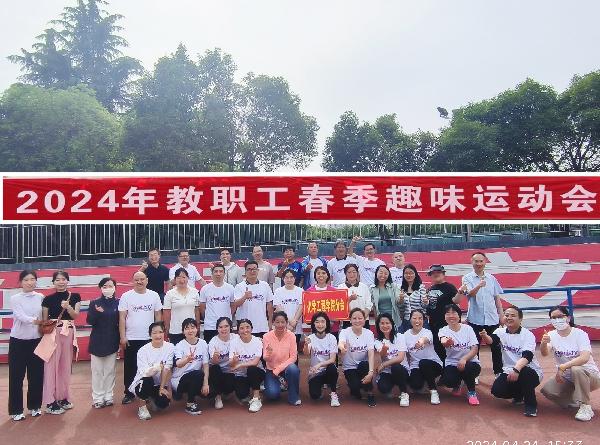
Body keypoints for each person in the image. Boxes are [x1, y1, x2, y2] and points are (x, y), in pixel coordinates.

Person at [540, 306, 600, 422]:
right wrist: (543, 343)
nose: (557, 320)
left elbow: (584, 358)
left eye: (560, 316)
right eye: (553, 318)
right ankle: (575, 401)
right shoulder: (551, 335)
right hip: (568, 377)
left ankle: (585, 406)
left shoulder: (580, 334)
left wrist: (563, 366)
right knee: (548, 390)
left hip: (589, 375)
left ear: (568, 318)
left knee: (576, 369)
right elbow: (545, 353)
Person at [481, 306, 542, 417]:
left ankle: (531, 405)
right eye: (506, 315)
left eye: (513, 315)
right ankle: (519, 395)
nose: (509, 318)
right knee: (497, 390)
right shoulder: (500, 331)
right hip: (509, 370)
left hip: (530, 371)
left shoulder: (527, 335)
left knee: (525, 373)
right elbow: (492, 341)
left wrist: (516, 369)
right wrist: (485, 336)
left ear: (520, 319)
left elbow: (527, 356)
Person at [119, 271, 163, 405]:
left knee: (150, 367)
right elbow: (122, 317)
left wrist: (158, 335)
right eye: (137, 279)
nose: (139, 282)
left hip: (149, 338)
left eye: (142, 279)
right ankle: (129, 393)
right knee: (130, 366)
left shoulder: (154, 295)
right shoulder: (126, 296)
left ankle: (148, 392)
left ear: (147, 280)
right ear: (133, 281)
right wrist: (123, 336)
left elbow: (158, 316)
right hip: (131, 338)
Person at [41, 270, 81, 414]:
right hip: (53, 334)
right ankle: (50, 401)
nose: (61, 282)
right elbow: (44, 320)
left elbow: (75, 316)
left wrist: (68, 307)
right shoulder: (47, 299)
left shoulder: (75, 296)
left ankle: (63, 397)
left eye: (63, 279)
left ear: (67, 281)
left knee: (65, 366)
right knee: (50, 368)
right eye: (57, 280)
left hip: (68, 332)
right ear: (53, 282)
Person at [8, 270, 44, 421]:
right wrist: (35, 321)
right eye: (26, 280)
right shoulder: (15, 298)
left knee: (36, 376)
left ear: (36, 281)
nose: (30, 282)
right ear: (20, 282)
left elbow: (45, 314)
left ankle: (35, 406)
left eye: (32, 279)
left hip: (36, 341)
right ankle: (16, 410)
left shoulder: (41, 297)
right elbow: (20, 316)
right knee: (16, 377)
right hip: (18, 342)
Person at [462, 252, 505, 376]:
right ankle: (474, 374)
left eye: (481, 261)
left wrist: (501, 315)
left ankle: (498, 372)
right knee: (475, 348)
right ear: (472, 262)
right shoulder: (467, 278)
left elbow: (497, 298)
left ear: (485, 262)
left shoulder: (491, 278)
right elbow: (470, 294)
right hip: (475, 319)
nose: (479, 263)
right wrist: (479, 286)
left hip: (492, 318)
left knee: (496, 347)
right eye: (476, 261)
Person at [129, 322, 174, 421]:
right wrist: (157, 367)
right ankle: (142, 407)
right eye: (154, 333)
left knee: (163, 404)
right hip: (143, 382)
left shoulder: (170, 347)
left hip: (159, 383)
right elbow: (145, 373)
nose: (158, 335)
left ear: (164, 333)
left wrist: (164, 388)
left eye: (160, 332)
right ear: (150, 335)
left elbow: (167, 369)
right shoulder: (143, 351)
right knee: (147, 380)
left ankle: (152, 398)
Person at [438, 304, 482, 406]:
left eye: (454, 313)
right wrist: (447, 342)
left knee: (469, 368)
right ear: (444, 316)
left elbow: (475, 348)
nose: (451, 316)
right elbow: (443, 340)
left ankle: (471, 392)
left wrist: (464, 359)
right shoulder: (443, 330)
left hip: (470, 362)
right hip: (452, 363)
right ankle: (458, 383)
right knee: (448, 381)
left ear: (459, 315)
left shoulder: (468, 329)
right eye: (447, 313)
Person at [87, 277, 120, 409]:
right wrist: (97, 312)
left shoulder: (119, 303)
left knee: (110, 370)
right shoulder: (94, 303)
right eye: (105, 286)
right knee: (97, 371)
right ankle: (98, 397)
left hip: (112, 340)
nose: (108, 288)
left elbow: (121, 322)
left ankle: (108, 396)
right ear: (100, 288)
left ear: (115, 287)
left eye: (110, 286)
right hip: (97, 341)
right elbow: (90, 321)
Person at [423, 264, 463, 361]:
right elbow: (428, 307)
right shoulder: (430, 289)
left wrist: (460, 292)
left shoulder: (449, 287)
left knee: (450, 347)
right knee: (438, 347)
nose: (436, 274)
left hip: (447, 324)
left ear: (443, 274)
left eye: (438, 272)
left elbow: (456, 301)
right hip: (434, 323)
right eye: (433, 273)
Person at [339, 307, 376, 407]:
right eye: (354, 318)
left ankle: (370, 393)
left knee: (364, 365)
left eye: (360, 318)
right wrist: (342, 347)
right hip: (350, 367)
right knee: (355, 388)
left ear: (364, 319)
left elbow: (371, 353)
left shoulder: (369, 333)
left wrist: (371, 372)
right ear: (350, 320)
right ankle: (355, 387)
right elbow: (341, 342)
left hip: (363, 366)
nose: (357, 321)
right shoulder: (345, 332)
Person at [171, 318, 210, 415]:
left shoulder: (203, 343)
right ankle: (190, 403)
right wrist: (187, 360)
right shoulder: (179, 345)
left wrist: (205, 384)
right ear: (183, 331)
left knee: (210, 392)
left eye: (192, 327)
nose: (190, 330)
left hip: (197, 378)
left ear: (197, 329)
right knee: (197, 374)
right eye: (187, 328)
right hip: (180, 379)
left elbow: (205, 365)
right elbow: (178, 363)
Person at [404, 309, 443, 405]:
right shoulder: (405, 335)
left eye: (420, 318)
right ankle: (426, 380)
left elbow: (424, 339)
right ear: (410, 319)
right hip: (416, 366)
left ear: (424, 320)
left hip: (433, 364)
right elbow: (406, 354)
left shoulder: (427, 332)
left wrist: (420, 342)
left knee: (424, 363)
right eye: (414, 318)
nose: (417, 321)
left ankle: (433, 391)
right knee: (415, 385)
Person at [263, 311, 301, 405]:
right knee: (272, 395)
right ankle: (279, 384)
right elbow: (265, 358)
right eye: (277, 322)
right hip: (272, 370)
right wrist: (268, 354)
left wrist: (279, 369)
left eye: (283, 322)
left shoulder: (291, 335)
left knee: (293, 369)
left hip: (286, 368)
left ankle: (293, 396)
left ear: (286, 323)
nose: (280, 325)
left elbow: (293, 357)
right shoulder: (266, 336)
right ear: (273, 323)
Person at [229, 319, 266, 413]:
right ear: (238, 331)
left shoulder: (257, 341)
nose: (245, 330)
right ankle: (251, 388)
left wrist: (240, 364)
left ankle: (256, 398)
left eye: (247, 327)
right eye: (241, 328)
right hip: (241, 374)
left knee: (252, 369)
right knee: (242, 394)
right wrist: (234, 361)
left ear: (251, 329)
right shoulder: (233, 342)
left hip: (257, 371)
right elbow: (231, 365)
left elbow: (255, 362)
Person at [304, 311, 340, 406]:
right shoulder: (311, 337)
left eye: (322, 322)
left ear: (327, 323)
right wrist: (306, 344)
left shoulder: (332, 338)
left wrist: (319, 364)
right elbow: (306, 353)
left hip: (328, 370)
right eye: (317, 322)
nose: (320, 325)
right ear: (313, 324)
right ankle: (319, 386)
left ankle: (333, 393)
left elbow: (332, 359)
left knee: (332, 367)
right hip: (315, 372)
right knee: (315, 396)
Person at [374, 313, 410, 406]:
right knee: (383, 388)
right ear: (378, 326)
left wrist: (383, 364)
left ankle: (404, 393)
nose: (385, 326)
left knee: (396, 367)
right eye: (382, 323)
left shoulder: (400, 337)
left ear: (392, 324)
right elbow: (382, 354)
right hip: (387, 372)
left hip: (401, 369)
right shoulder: (377, 341)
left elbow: (400, 358)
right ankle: (391, 384)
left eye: (387, 323)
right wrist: (384, 349)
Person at [233, 261, 274, 337]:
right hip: (245, 327)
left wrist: (270, 322)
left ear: (258, 270)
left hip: (262, 326)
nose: (252, 271)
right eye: (249, 269)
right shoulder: (239, 286)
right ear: (245, 272)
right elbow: (235, 304)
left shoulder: (265, 285)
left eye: (254, 269)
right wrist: (244, 297)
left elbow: (269, 304)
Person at [162, 268, 200, 346]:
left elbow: (196, 310)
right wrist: (167, 329)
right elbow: (166, 313)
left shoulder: (194, 292)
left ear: (188, 278)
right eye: (178, 277)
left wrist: (197, 326)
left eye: (184, 277)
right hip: (175, 330)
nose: (181, 280)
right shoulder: (170, 294)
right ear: (175, 279)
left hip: (191, 330)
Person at [199, 264, 235, 344]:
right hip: (210, 326)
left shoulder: (230, 288)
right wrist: (208, 318)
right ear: (212, 274)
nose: (218, 274)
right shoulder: (205, 289)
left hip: (226, 326)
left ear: (224, 274)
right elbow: (202, 307)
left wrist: (227, 317)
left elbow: (233, 306)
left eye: (221, 271)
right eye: (216, 271)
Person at [208, 317, 238, 410]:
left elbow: (248, 338)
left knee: (230, 386)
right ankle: (217, 397)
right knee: (215, 368)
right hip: (217, 372)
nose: (223, 329)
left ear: (230, 327)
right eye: (220, 327)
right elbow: (213, 362)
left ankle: (227, 392)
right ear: (217, 329)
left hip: (231, 370)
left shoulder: (236, 338)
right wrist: (215, 356)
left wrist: (258, 339)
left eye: (226, 326)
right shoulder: (213, 341)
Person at [273, 269, 304, 349]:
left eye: (291, 277)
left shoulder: (300, 291)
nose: (289, 280)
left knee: (294, 349)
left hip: (296, 326)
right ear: (283, 279)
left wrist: (295, 321)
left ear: (295, 278)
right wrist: (289, 322)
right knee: (283, 349)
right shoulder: (278, 291)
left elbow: (301, 306)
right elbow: (278, 307)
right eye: (286, 277)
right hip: (283, 325)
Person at [337, 263, 372, 328]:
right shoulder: (340, 287)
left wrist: (362, 317)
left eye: (354, 272)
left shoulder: (364, 287)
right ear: (345, 274)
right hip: (347, 321)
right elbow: (340, 305)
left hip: (363, 320)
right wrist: (349, 299)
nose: (352, 274)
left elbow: (369, 305)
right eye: (349, 272)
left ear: (357, 273)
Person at [371, 265, 405, 330]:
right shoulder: (372, 288)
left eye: (386, 273)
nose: (383, 275)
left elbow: (399, 302)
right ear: (376, 273)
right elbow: (374, 307)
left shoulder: (393, 286)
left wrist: (401, 298)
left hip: (394, 318)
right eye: (381, 272)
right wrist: (377, 320)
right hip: (381, 319)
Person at [399, 264, 427, 333]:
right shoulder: (401, 288)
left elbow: (424, 306)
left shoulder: (421, 287)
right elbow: (401, 308)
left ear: (415, 274)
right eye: (406, 273)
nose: (408, 275)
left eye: (411, 273)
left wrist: (425, 302)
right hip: (407, 321)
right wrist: (401, 300)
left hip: (419, 321)